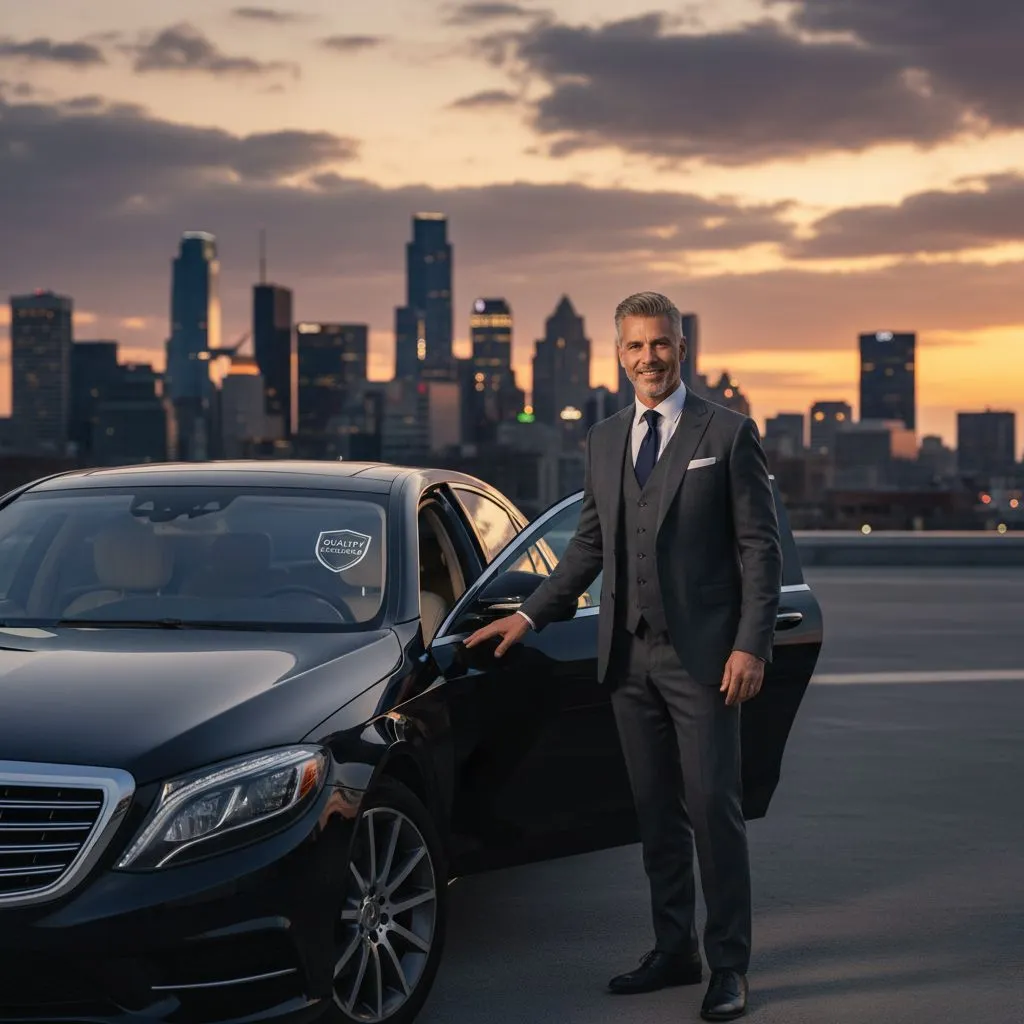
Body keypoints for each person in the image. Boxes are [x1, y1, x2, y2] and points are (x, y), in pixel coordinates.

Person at [464, 291, 782, 1021]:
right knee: (654, 817)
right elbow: (588, 544)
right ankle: (674, 951)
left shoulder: (729, 434)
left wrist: (749, 643)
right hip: (626, 659)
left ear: (682, 347)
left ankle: (728, 967)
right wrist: (529, 616)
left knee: (713, 814)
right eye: (636, 347)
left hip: (704, 660)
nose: (649, 358)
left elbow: (758, 550)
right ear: (618, 353)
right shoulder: (605, 438)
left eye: (661, 344)